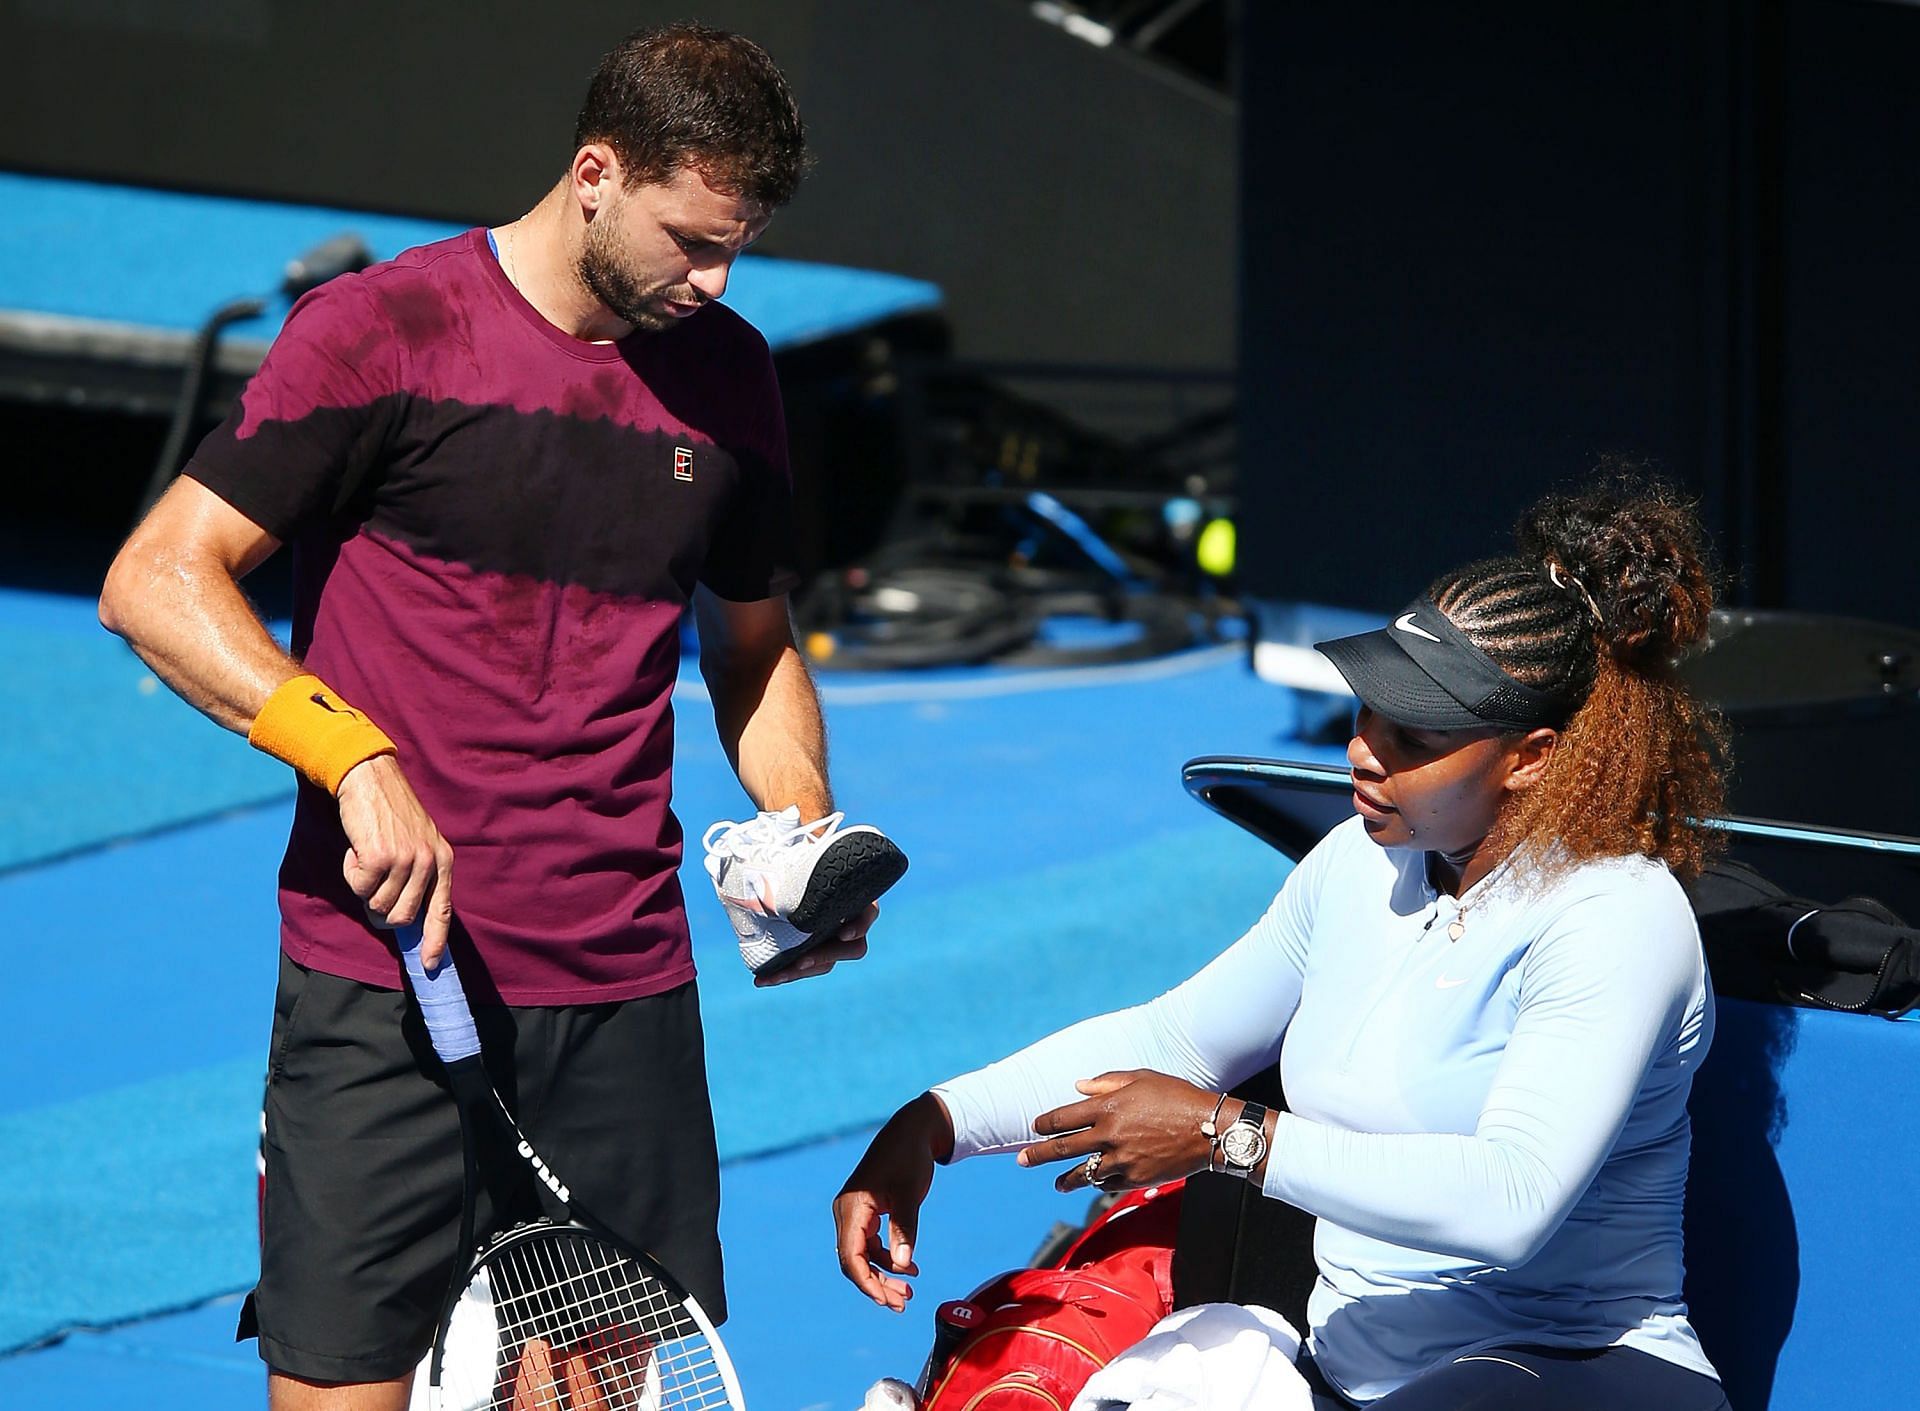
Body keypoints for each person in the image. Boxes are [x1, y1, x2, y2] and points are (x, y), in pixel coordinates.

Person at [99, 24, 895, 1410]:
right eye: (691, 240)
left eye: (738, 247)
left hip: (618, 987)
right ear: (595, 173)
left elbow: (752, 651)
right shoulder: (380, 332)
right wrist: (350, 756)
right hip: (383, 981)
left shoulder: (731, 374)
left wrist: (797, 832)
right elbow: (156, 580)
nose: (715, 282)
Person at [834, 479, 1735, 1410]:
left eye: (1417, 733)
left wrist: (1228, 1134)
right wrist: (934, 1123)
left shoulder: (1616, 915)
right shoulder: (1353, 861)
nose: (1364, 751)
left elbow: (1511, 1200)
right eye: (1365, 711)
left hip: (1579, 1366)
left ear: (1532, 756)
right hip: (1357, 1375)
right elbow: (1173, 1043)